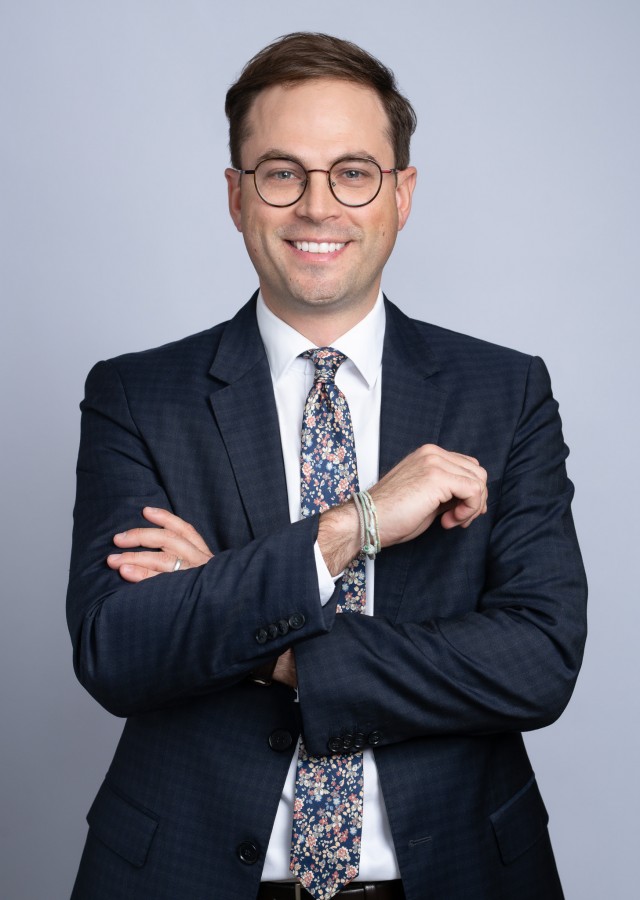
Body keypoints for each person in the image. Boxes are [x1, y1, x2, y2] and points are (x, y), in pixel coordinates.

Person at [67, 32, 587, 900]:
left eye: (353, 172)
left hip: (457, 873)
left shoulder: (507, 392)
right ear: (236, 196)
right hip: (185, 875)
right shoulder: (136, 395)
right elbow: (118, 649)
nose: (317, 207)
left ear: (401, 194)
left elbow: (539, 661)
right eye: (282, 172)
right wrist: (356, 523)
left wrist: (257, 635)